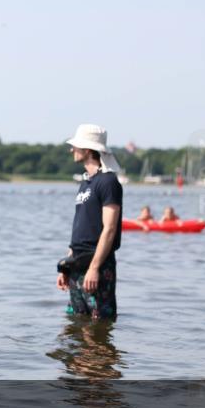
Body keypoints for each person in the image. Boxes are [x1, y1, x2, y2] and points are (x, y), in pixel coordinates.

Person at [56, 124, 123, 321]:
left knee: (99, 321)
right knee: (77, 323)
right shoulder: (85, 183)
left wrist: (94, 268)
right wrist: (67, 267)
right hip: (77, 262)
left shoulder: (108, 182)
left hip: (98, 264)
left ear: (87, 150)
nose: (71, 150)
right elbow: (80, 228)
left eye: (75, 146)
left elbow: (109, 229)